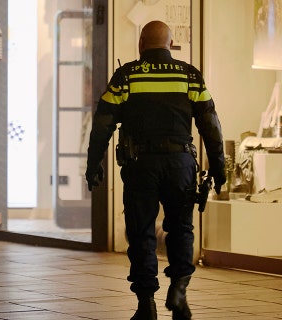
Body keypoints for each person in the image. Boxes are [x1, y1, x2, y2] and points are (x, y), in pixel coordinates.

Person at [84, 20, 225, 320]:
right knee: (181, 228)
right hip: (181, 164)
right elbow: (210, 125)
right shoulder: (189, 75)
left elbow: (102, 125)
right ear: (171, 44)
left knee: (142, 232)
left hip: (141, 165)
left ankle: (146, 304)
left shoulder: (126, 76)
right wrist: (220, 166)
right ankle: (179, 290)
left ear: (141, 43)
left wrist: (93, 162)